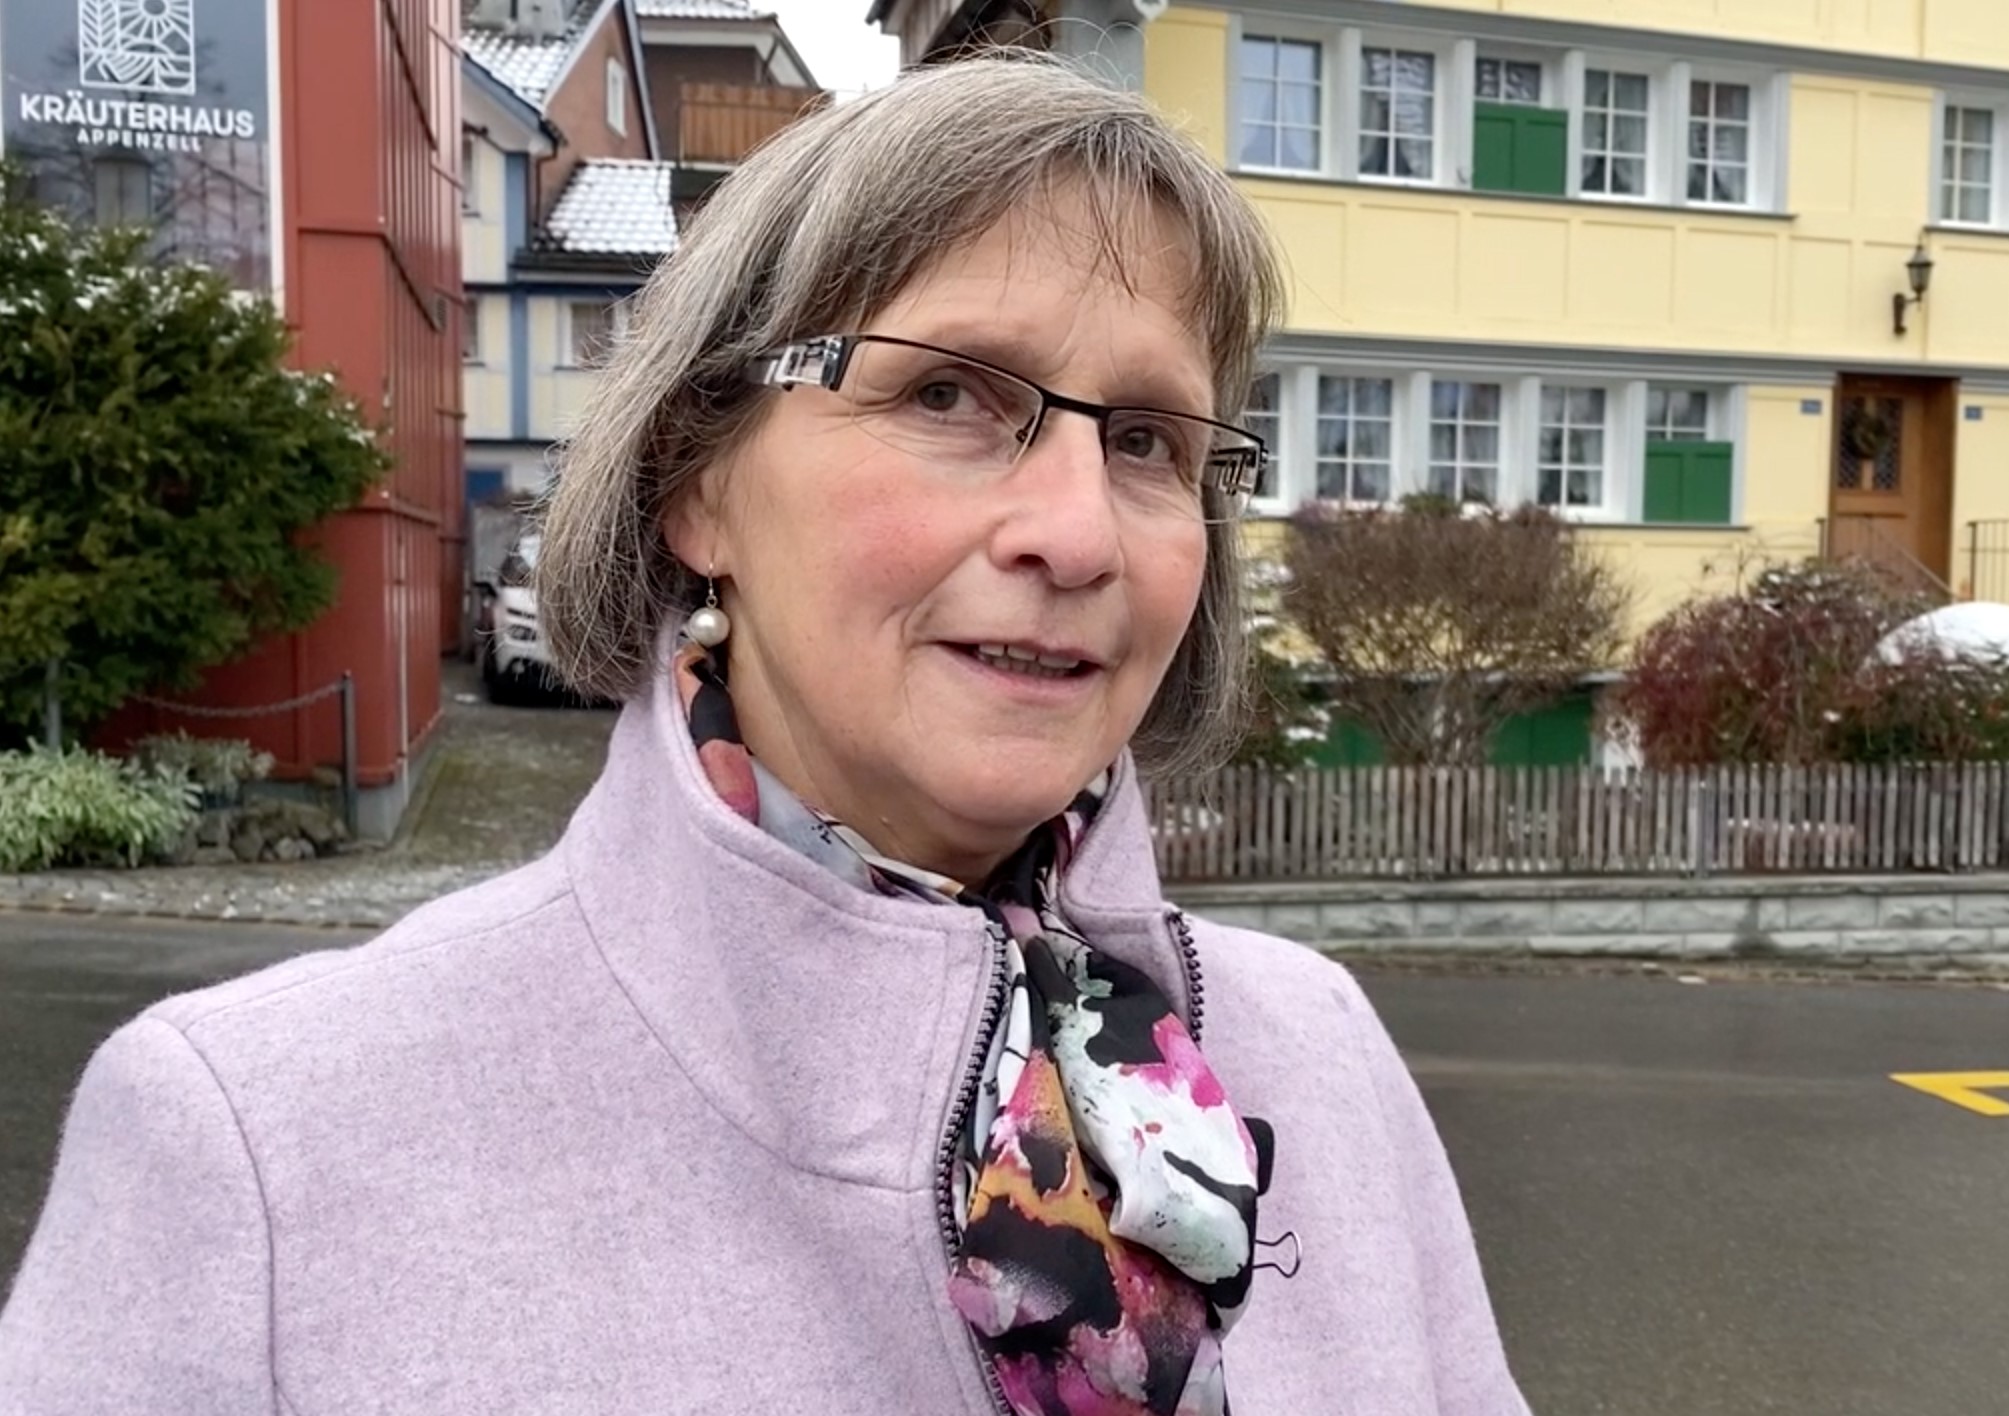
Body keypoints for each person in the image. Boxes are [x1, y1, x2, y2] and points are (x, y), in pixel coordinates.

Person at [0, 55, 1530, 1416]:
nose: (1078, 533)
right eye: (948, 394)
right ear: (697, 478)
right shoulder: (262, 1142)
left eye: (1145, 441)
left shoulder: (1315, 1052)